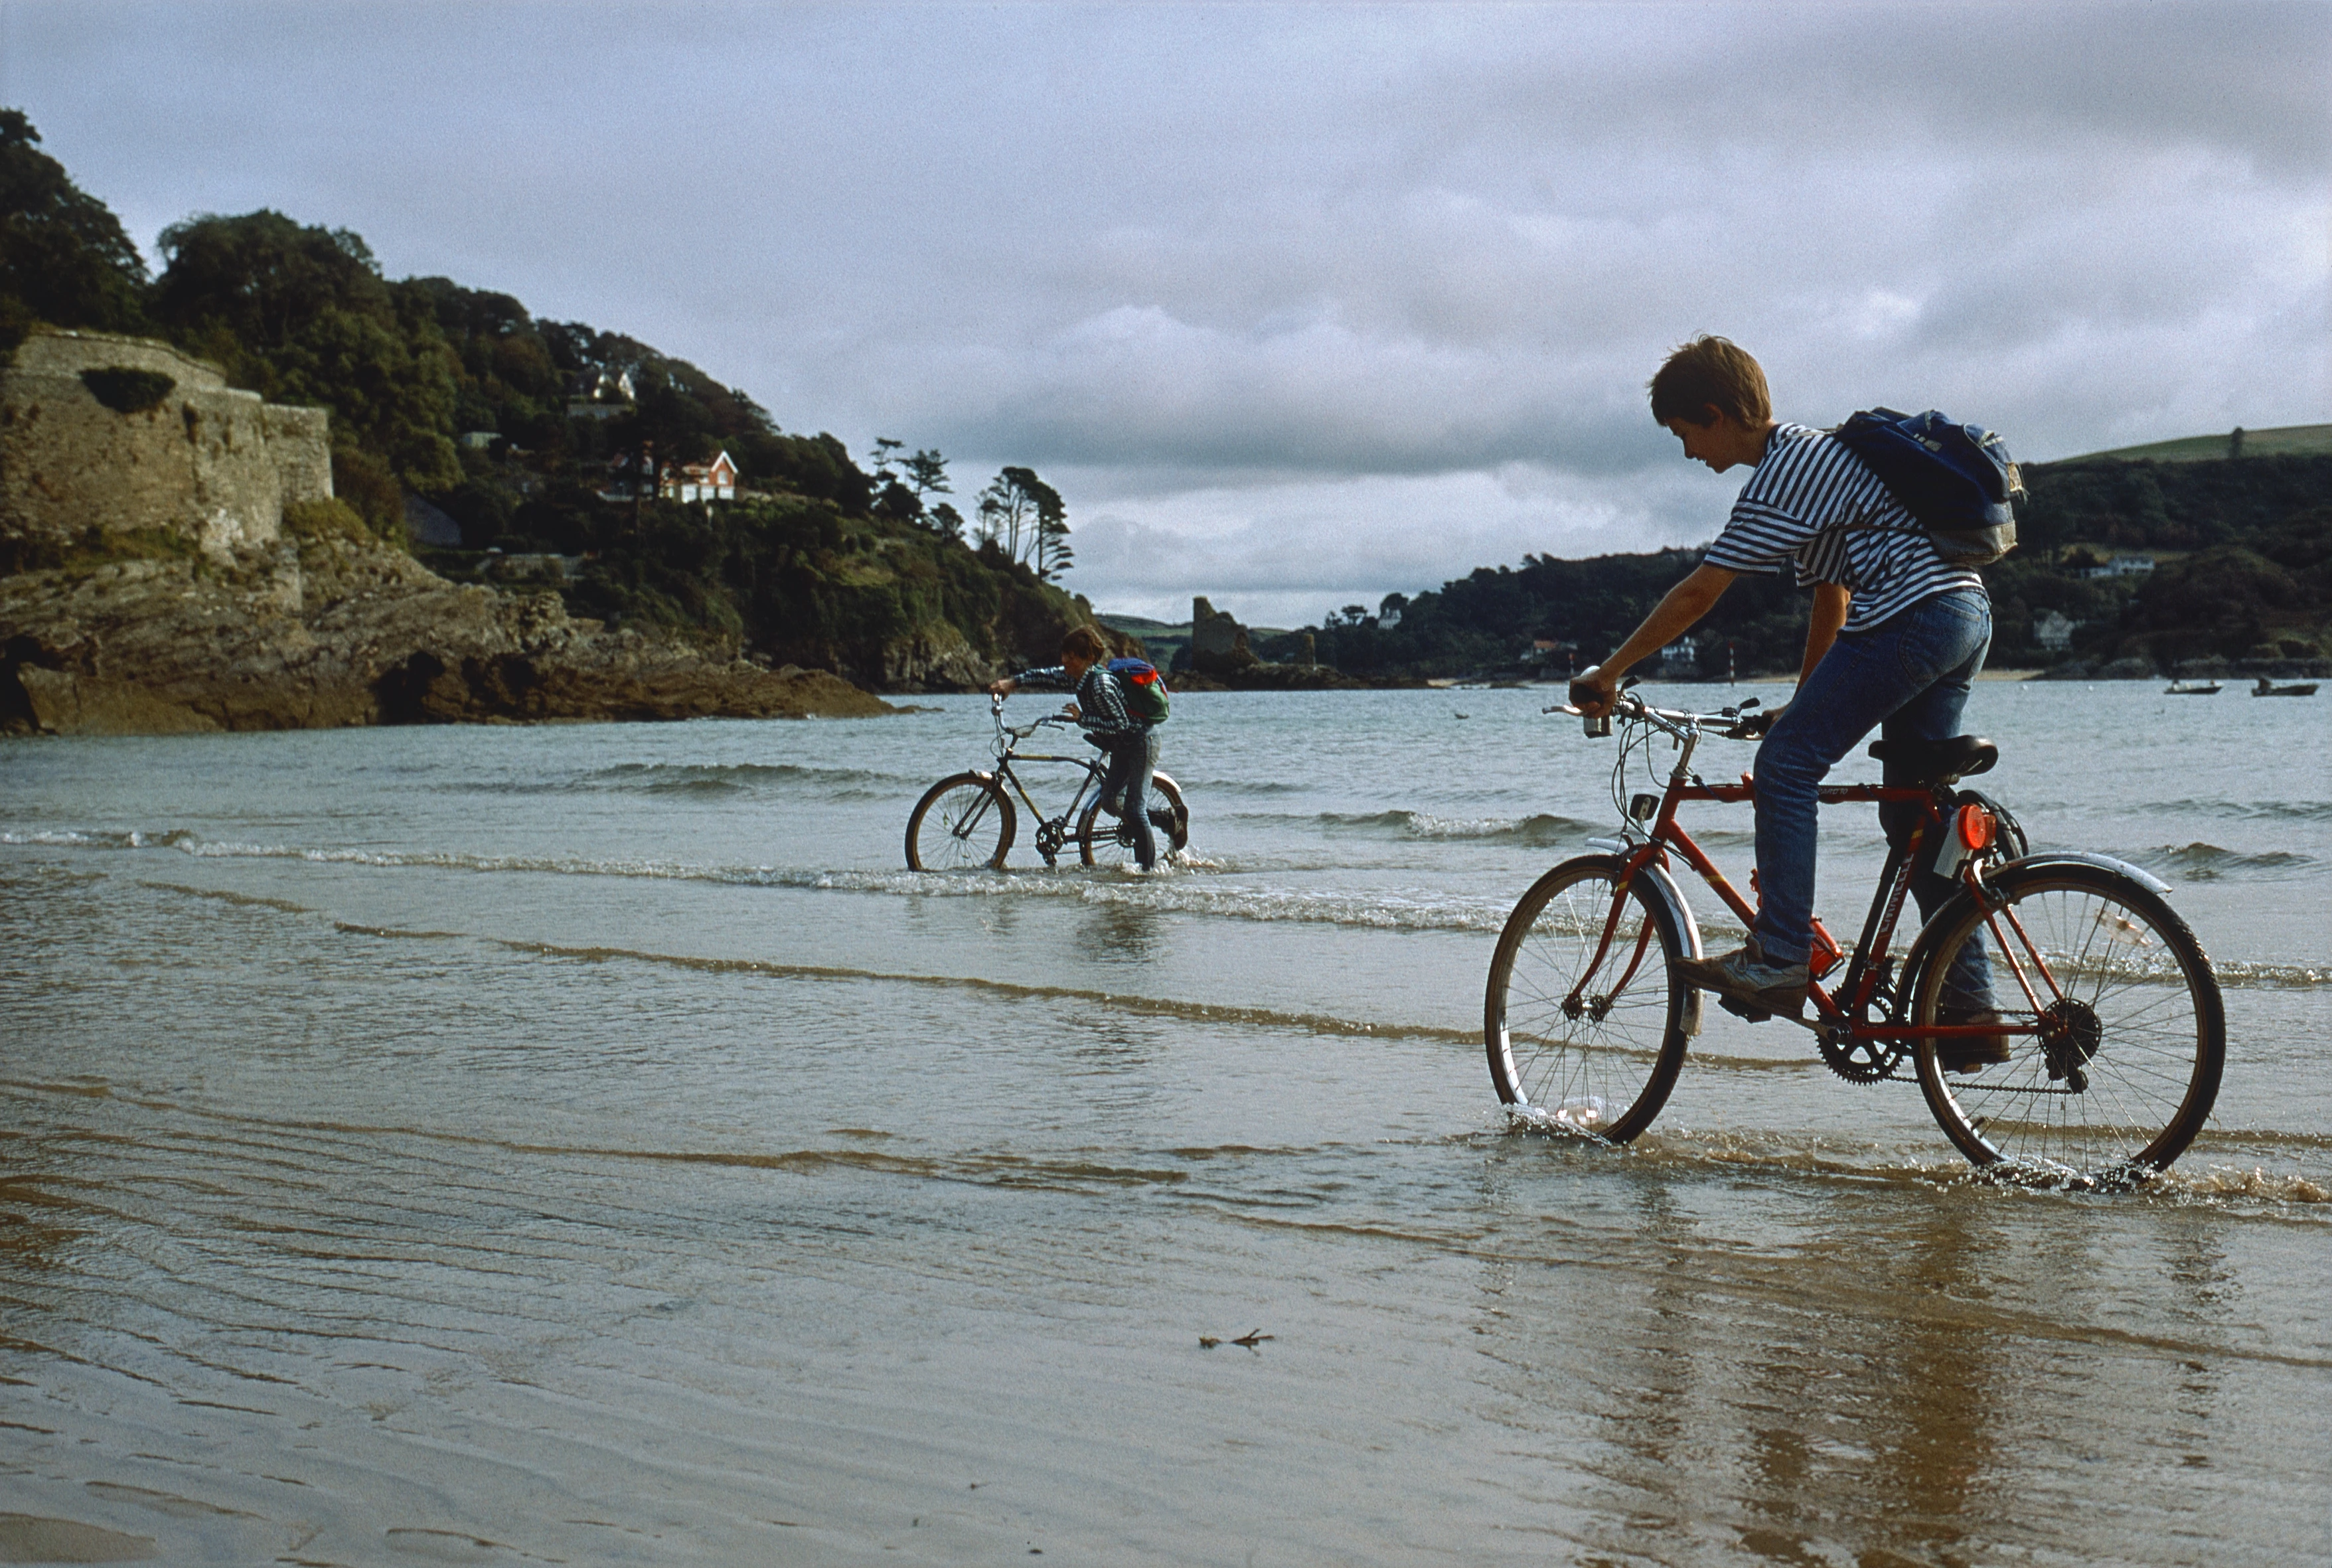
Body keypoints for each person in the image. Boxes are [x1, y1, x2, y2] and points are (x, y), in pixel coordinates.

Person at [1569, 335, 2002, 1069]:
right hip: (1964, 615)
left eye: (1685, 436)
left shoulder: (1784, 472)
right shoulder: (1822, 457)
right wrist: (1804, 699)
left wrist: (1610, 672)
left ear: (1714, 415)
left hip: (1913, 616)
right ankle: (1971, 1010)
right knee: (1911, 813)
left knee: (1785, 767)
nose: (1687, 454)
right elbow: (1831, 595)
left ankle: (1779, 957)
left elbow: (1701, 590)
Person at [989, 625, 1174, 870]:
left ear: (1088, 658)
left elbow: (1120, 723)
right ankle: (1164, 818)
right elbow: (1047, 676)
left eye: (1072, 656)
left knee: (1134, 809)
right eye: (1065, 654)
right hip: (1120, 745)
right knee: (1109, 803)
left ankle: (1147, 875)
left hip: (1141, 742)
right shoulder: (1078, 676)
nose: (1065, 660)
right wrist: (1012, 683)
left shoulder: (1101, 684)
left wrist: (1082, 719)